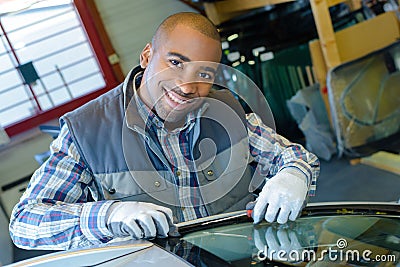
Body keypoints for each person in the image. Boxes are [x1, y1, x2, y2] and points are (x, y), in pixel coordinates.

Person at [9, 12, 319, 250]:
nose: (187, 86)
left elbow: (294, 156)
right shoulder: (85, 131)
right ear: (146, 56)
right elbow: (25, 223)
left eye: (204, 73)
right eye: (175, 62)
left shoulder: (228, 111)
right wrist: (111, 215)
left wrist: (293, 174)